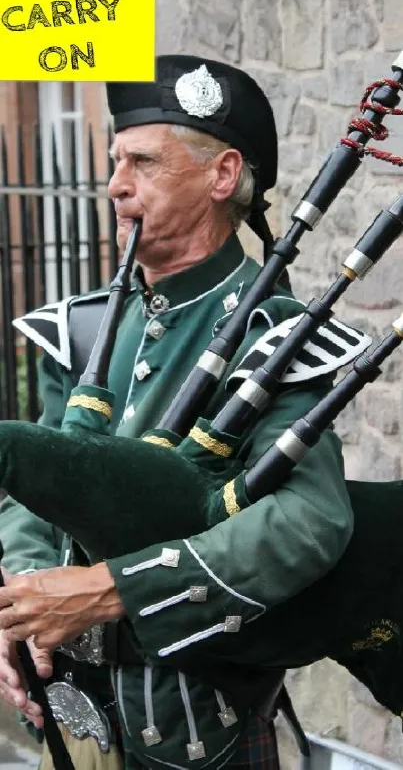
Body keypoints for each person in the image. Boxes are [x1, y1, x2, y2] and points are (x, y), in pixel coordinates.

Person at [0, 55, 353, 770]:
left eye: (142, 162)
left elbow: (309, 521)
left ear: (221, 175)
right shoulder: (85, 328)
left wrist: (110, 590)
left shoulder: (276, 335)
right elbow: (32, 493)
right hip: (73, 718)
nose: (114, 184)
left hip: (201, 725)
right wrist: (24, 603)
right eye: (112, 161)